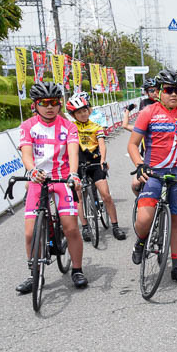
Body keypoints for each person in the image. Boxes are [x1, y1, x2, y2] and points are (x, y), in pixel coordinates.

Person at [16, 82, 88, 293]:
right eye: (44, 103)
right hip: (38, 180)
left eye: (54, 103)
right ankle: (34, 274)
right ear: (35, 105)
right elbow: (26, 154)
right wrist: (31, 171)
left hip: (62, 179)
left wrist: (73, 174)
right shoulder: (28, 126)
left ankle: (77, 269)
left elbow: (73, 153)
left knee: (71, 227)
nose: (50, 107)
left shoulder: (68, 126)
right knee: (30, 234)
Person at [128, 69, 177, 284]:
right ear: (159, 91)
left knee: (176, 220)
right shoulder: (148, 112)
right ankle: (140, 241)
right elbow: (132, 144)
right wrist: (140, 165)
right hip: (153, 172)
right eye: (168, 90)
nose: (173, 94)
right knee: (144, 219)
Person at [66, 93, 126, 241]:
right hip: (79, 164)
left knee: (106, 195)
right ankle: (85, 227)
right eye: (79, 112)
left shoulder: (96, 126)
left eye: (84, 110)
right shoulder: (71, 127)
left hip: (95, 163)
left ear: (89, 110)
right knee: (78, 196)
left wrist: (103, 160)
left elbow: (102, 144)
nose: (83, 114)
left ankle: (115, 226)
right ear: (73, 115)